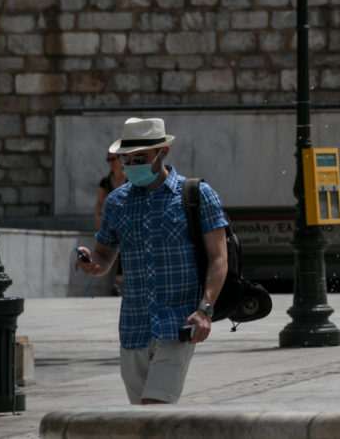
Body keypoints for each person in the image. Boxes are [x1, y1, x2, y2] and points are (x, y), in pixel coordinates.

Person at [76, 117, 229, 405]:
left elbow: (219, 258)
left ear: (163, 154)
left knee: (154, 407)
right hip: (133, 327)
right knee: (144, 424)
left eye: (141, 158)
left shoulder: (197, 195)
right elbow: (105, 255)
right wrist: (92, 262)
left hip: (179, 324)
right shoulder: (117, 202)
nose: (132, 166)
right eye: (127, 159)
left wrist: (205, 309)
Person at [94, 150, 127, 295]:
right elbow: (99, 203)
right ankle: (118, 281)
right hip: (113, 221)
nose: (111, 162)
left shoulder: (129, 179)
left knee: (123, 248)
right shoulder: (106, 182)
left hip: (127, 219)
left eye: (113, 158)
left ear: (120, 160)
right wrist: (97, 218)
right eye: (109, 160)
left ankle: (119, 281)